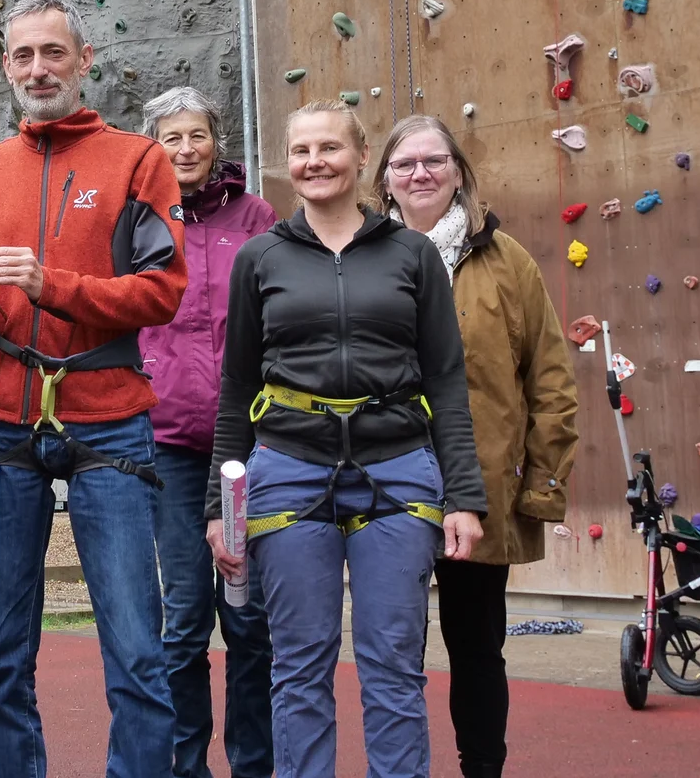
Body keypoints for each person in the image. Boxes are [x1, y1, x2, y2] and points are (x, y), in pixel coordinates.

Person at [0, 0, 186, 777]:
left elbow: (162, 292)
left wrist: (54, 285)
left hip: (108, 415)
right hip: (1, 417)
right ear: (6, 66)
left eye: (53, 52)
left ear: (85, 60)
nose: (37, 69)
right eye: (22, 55)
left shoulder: (138, 159)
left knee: (138, 652)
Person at [203, 99, 487, 778]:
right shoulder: (260, 258)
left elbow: (446, 380)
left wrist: (464, 495)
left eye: (329, 147)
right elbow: (238, 385)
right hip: (288, 468)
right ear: (288, 164)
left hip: (397, 469)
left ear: (363, 159)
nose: (314, 161)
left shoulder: (413, 254)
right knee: (298, 666)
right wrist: (219, 507)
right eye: (301, 151)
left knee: (393, 665)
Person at [375, 114, 579, 778]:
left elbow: (549, 375)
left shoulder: (506, 259)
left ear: (460, 171)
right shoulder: (361, 256)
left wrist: (540, 483)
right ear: (384, 179)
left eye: (434, 160)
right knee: (392, 646)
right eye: (405, 163)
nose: (420, 174)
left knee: (476, 644)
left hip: (480, 483)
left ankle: (481, 768)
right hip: (382, 480)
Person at [136, 87, 278, 778]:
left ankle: (254, 765)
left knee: (249, 622)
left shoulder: (257, 218)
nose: (185, 148)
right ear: (152, 145)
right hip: (167, 442)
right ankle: (183, 765)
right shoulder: (137, 220)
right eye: (171, 137)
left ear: (215, 141)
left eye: (196, 135)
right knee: (184, 620)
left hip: (245, 448)